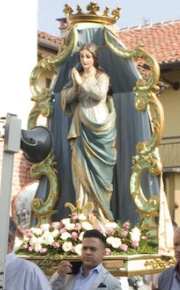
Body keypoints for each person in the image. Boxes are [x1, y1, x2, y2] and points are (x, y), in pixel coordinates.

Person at [62, 42, 117, 222]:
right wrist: (76, 86)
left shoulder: (103, 76)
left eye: (88, 56)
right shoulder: (76, 76)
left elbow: (100, 94)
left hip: (100, 123)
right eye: (82, 57)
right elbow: (68, 98)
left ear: (94, 58)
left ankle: (102, 215)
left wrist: (82, 84)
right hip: (81, 125)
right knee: (79, 168)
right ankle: (83, 214)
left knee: (102, 174)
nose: (84, 60)